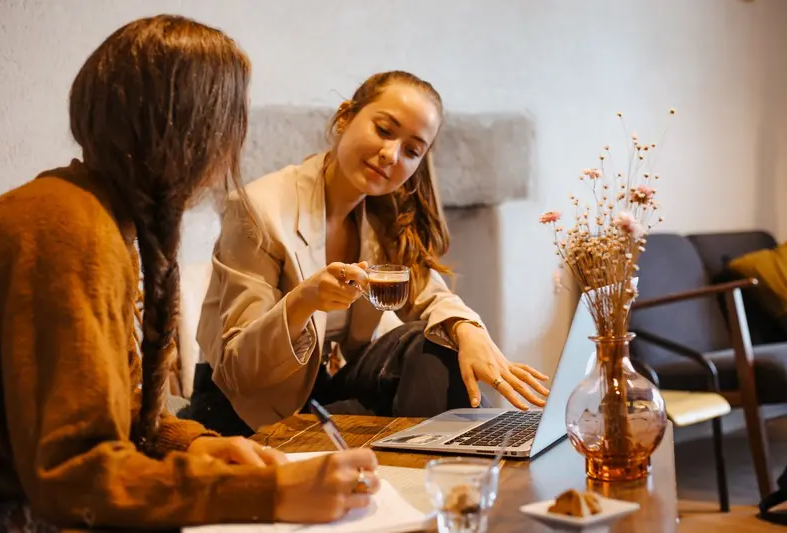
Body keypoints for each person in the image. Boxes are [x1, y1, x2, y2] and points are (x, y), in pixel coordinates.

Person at [0, 15, 378, 530]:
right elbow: (72, 476)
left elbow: (122, 417)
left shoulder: (94, 216)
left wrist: (200, 446)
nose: (230, 149)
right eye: (231, 123)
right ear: (189, 131)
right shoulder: (66, 229)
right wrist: (269, 492)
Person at [192, 70, 550, 436]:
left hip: (320, 392)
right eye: (383, 130)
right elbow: (239, 370)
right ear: (345, 117)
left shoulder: (383, 217)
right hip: (241, 407)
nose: (390, 155)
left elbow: (431, 295)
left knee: (434, 348)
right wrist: (303, 301)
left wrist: (467, 330)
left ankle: (484, 452)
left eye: (411, 151)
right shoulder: (258, 209)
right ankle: (491, 452)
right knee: (431, 373)